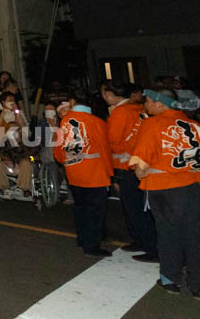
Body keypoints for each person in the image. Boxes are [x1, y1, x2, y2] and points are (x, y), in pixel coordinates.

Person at [129, 89, 200, 297]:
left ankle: (170, 279)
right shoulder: (196, 126)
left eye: (149, 101)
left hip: (165, 187)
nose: (146, 105)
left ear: (162, 104)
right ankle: (199, 284)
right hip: (196, 186)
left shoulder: (153, 124)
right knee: (195, 234)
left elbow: (141, 165)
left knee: (169, 233)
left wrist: (141, 173)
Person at [101, 80, 157, 262]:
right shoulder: (137, 109)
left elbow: (113, 140)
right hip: (140, 161)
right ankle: (140, 240)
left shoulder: (120, 112)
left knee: (134, 206)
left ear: (110, 94)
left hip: (125, 164)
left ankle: (150, 245)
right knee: (138, 205)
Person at [54, 91, 114, 256]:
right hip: (95, 173)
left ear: (73, 101)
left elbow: (58, 151)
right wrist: (110, 173)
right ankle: (92, 245)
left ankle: (82, 238)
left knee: (80, 208)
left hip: (74, 172)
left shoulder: (64, 121)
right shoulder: (97, 122)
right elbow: (105, 151)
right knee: (95, 211)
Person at [0, 93, 33, 197]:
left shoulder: (18, 114)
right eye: (9, 100)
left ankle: (24, 188)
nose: (12, 102)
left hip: (19, 154)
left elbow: (23, 126)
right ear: (3, 102)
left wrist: (16, 111)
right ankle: (1, 186)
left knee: (26, 162)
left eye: (13, 100)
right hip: (3, 141)